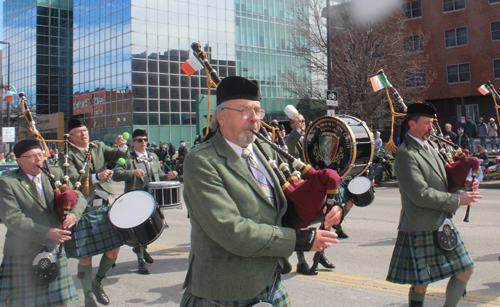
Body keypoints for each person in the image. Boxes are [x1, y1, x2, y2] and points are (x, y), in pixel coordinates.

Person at [180, 76, 343, 306]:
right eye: (245, 111)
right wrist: (300, 240)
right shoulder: (202, 161)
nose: (255, 119)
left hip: (270, 279)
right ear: (221, 116)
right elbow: (230, 229)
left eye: (257, 110)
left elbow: (286, 207)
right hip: (224, 289)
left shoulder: (263, 149)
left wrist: (328, 207)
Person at [386, 102, 482, 307]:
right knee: (421, 282)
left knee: (466, 269)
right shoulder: (405, 154)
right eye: (427, 123)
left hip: (441, 222)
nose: (432, 127)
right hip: (420, 225)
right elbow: (420, 194)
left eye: (432, 123)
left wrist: (465, 184)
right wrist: (457, 200)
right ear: (412, 124)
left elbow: (444, 178)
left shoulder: (432, 146)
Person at [0, 140, 87, 306]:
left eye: (40, 155)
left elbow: (79, 197)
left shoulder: (54, 174)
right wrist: (46, 232)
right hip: (23, 251)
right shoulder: (8, 182)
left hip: (52, 249)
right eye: (32, 156)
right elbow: (12, 218)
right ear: (19, 161)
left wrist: (74, 215)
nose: (39, 159)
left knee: (60, 302)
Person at [61, 119, 129, 307]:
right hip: (82, 209)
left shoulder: (97, 146)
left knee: (115, 247)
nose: (84, 134)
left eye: (85, 130)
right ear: (71, 136)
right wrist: (96, 176)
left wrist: (121, 147)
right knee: (86, 256)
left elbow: (115, 154)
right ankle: (88, 297)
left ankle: (97, 282)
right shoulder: (67, 154)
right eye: (79, 131)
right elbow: (72, 177)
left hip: (103, 205)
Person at [112, 129, 177, 274]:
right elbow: (116, 175)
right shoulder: (128, 158)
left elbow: (159, 176)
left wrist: (169, 176)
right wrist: (132, 172)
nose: (143, 143)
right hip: (136, 200)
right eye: (140, 140)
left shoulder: (152, 157)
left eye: (145, 140)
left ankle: (142, 250)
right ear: (133, 143)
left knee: (153, 228)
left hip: (153, 199)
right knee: (141, 231)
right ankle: (140, 259)